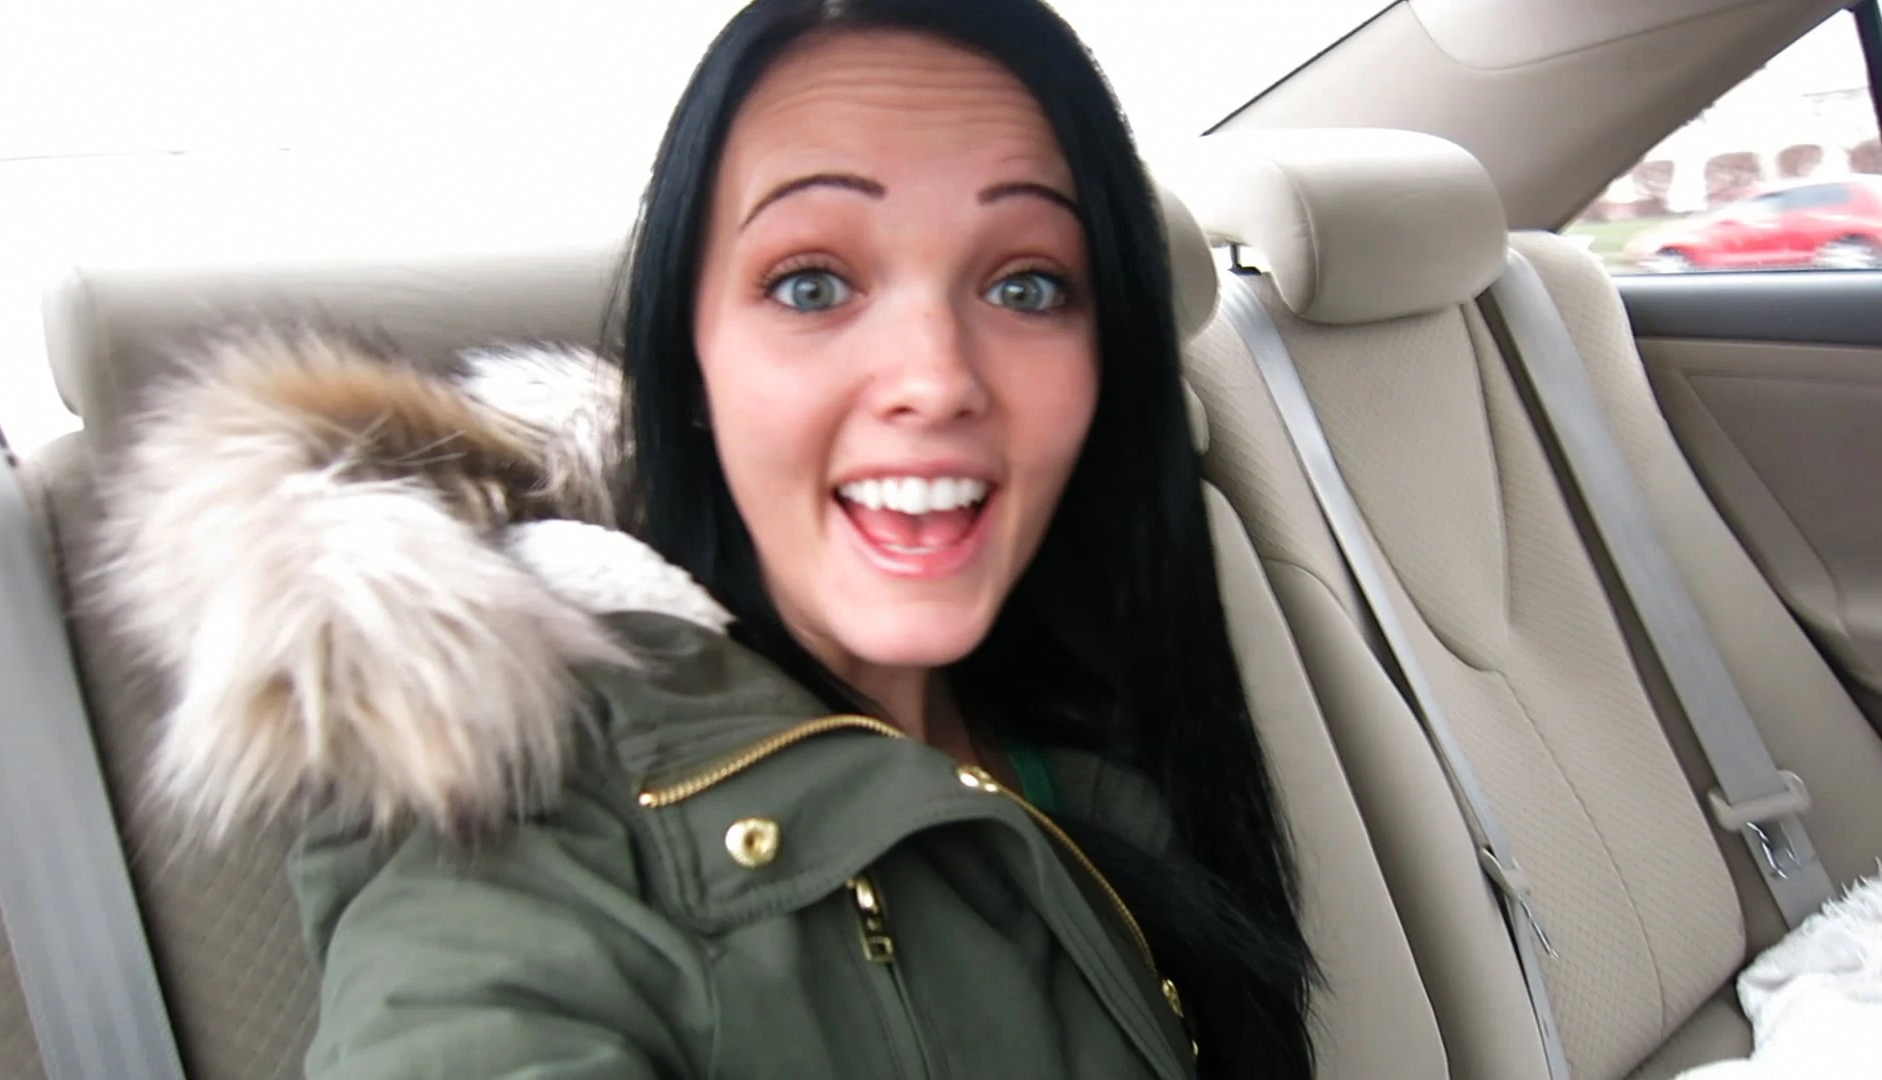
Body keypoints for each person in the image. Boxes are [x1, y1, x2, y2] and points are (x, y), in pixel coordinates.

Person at [94, 0, 1315, 1075]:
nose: (937, 379)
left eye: (1027, 286)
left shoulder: (1110, 724)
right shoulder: (528, 832)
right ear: (687, 365)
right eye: (811, 285)